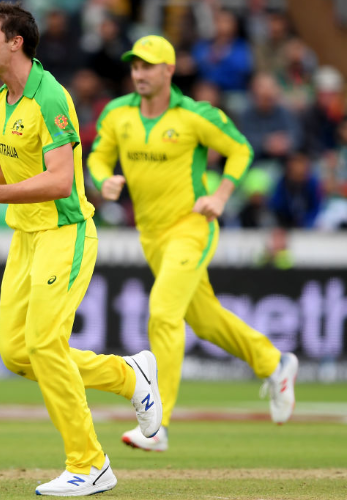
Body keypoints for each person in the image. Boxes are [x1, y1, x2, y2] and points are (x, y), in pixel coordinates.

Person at [0, 3, 162, 496]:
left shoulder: (51, 97)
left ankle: (90, 463)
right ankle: (129, 376)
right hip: (25, 237)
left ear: (15, 42)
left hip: (65, 234)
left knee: (44, 345)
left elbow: (62, 180)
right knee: (17, 353)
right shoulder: (0, 102)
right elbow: (20, 170)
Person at [87, 35, 299, 453]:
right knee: (203, 320)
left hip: (192, 226)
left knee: (164, 312)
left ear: (169, 71)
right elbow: (97, 156)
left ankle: (157, 424)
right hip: (150, 235)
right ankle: (275, 364)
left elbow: (240, 150)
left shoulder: (195, 115)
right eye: (135, 66)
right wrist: (103, 179)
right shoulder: (117, 113)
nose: (139, 73)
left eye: (148, 66)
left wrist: (220, 196)